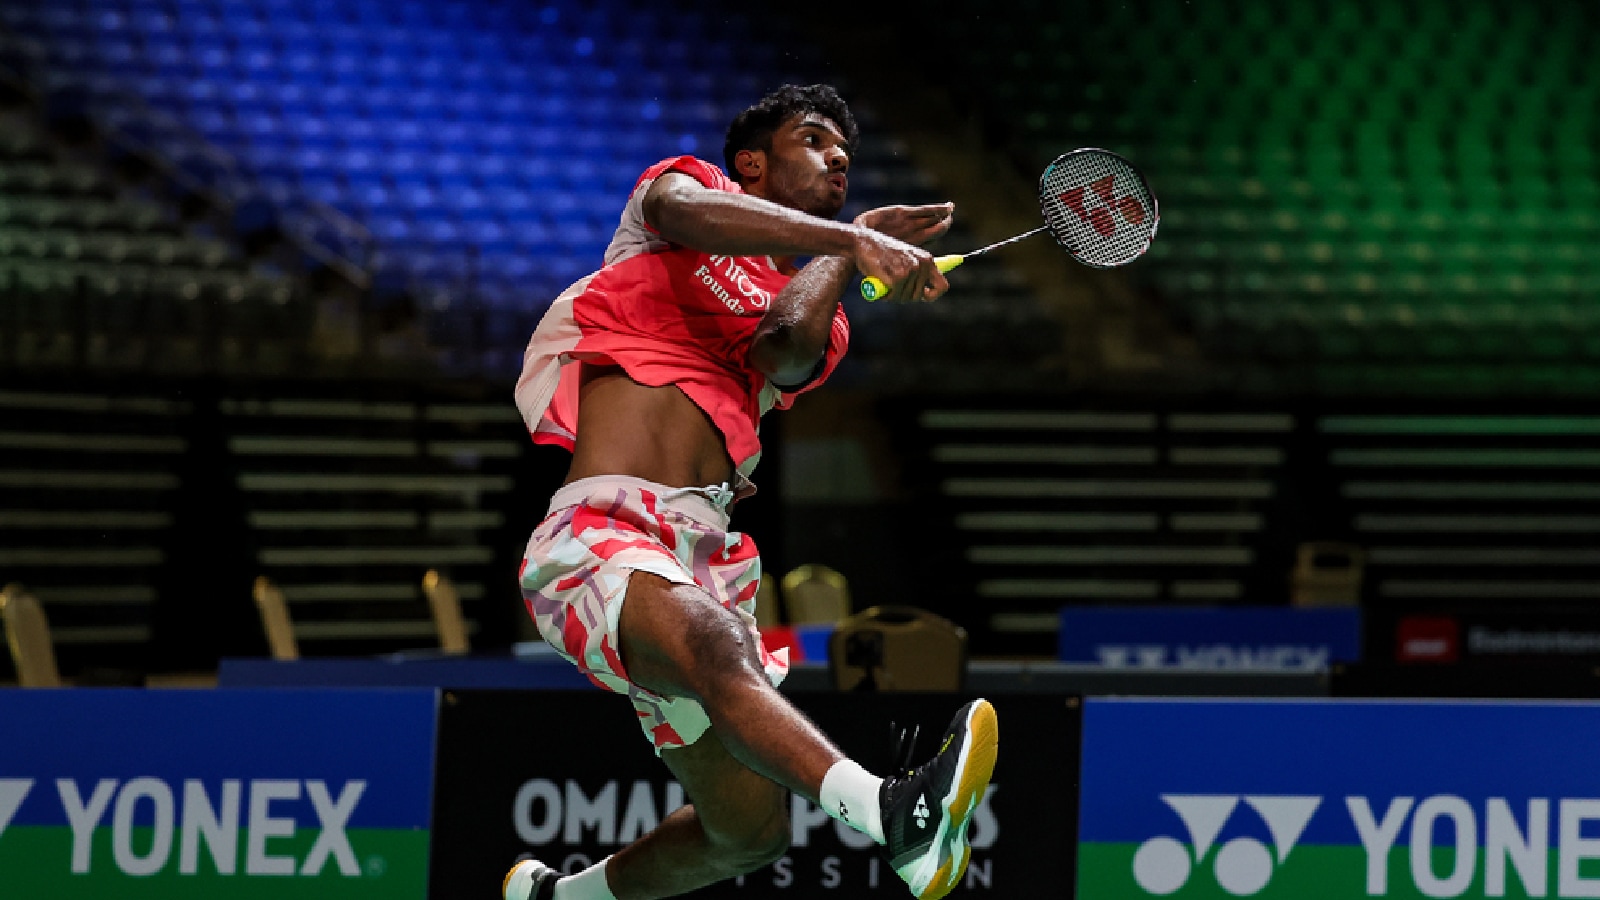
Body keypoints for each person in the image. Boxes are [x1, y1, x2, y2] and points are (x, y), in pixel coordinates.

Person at [504, 84, 998, 900]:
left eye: (847, 150)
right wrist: (851, 235)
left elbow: (783, 352)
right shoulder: (678, 195)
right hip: (599, 535)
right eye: (814, 139)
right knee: (716, 652)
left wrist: (845, 251)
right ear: (752, 162)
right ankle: (898, 814)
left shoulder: (817, 306)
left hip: (703, 554)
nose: (838, 156)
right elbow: (686, 212)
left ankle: (559, 898)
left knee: (749, 831)